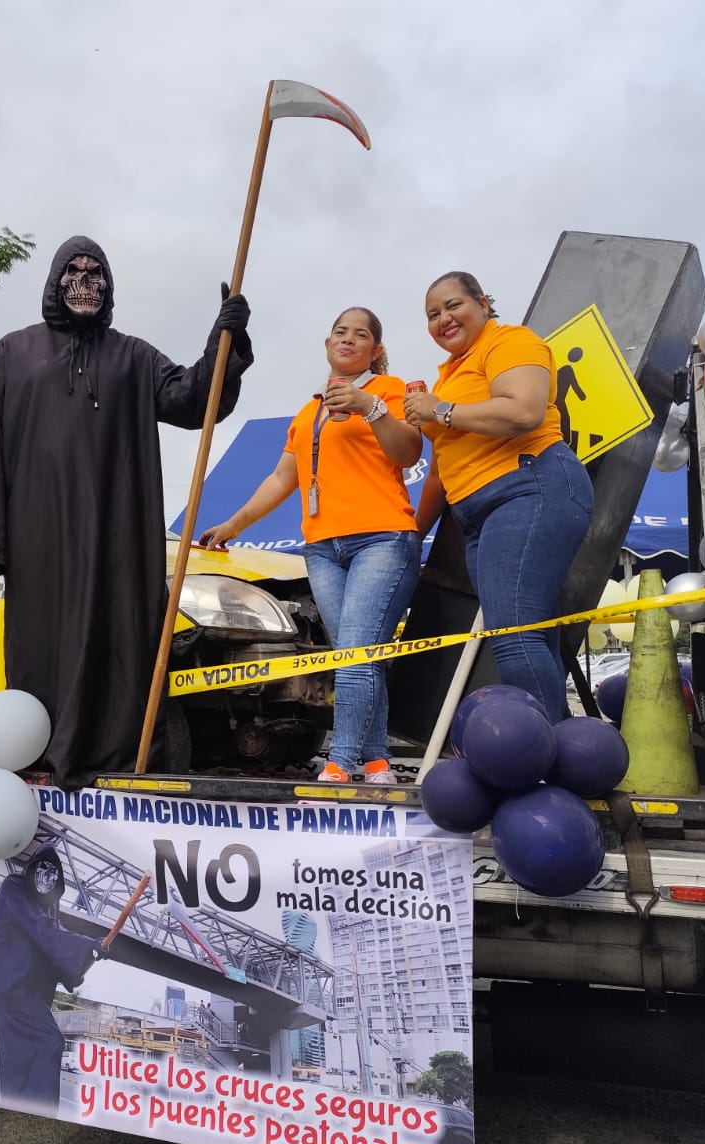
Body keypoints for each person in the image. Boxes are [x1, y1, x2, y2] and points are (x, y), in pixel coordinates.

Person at [0, 235, 253, 788]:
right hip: (40, 535)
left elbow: (194, 399)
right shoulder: (13, 354)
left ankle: (121, 765)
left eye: (95, 273)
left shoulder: (133, 358)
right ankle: (43, 757)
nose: (85, 282)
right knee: (42, 648)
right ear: (55, 281)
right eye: (74, 271)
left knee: (121, 642)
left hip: (120, 534)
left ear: (109, 285)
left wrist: (224, 340)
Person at [198, 307, 423, 784]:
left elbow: (408, 452)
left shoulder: (390, 389)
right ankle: (377, 762)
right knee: (355, 655)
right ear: (327, 344)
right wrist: (233, 524)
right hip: (322, 548)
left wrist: (370, 407)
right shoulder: (309, 411)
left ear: (375, 351)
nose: (348, 339)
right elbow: (283, 478)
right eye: (340, 332)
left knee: (356, 656)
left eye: (360, 334)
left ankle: (339, 764)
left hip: (381, 538)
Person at [402, 271, 594, 722]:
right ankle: (559, 743)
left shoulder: (510, 340)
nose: (443, 319)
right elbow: (441, 469)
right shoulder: (450, 375)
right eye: (432, 314)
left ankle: (542, 752)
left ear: (483, 304)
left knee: (514, 637)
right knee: (530, 634)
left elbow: (524, 411)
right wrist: (412, 534)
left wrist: (440, 410)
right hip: (479, 515)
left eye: (453, 305)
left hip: (528, 485)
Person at [0, 846, 102, 1114]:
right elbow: (42, 929)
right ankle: (42, 1111)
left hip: (30, 986)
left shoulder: (50, 906)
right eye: (42, 871)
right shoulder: (14, 887)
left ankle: (15, 1105)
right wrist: (88, 945)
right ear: (31, 870)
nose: (47, 879)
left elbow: (53, 942)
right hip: (11, 981)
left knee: (17, 1052)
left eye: (53, 875)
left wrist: (89, 953)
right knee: (49, 1040)